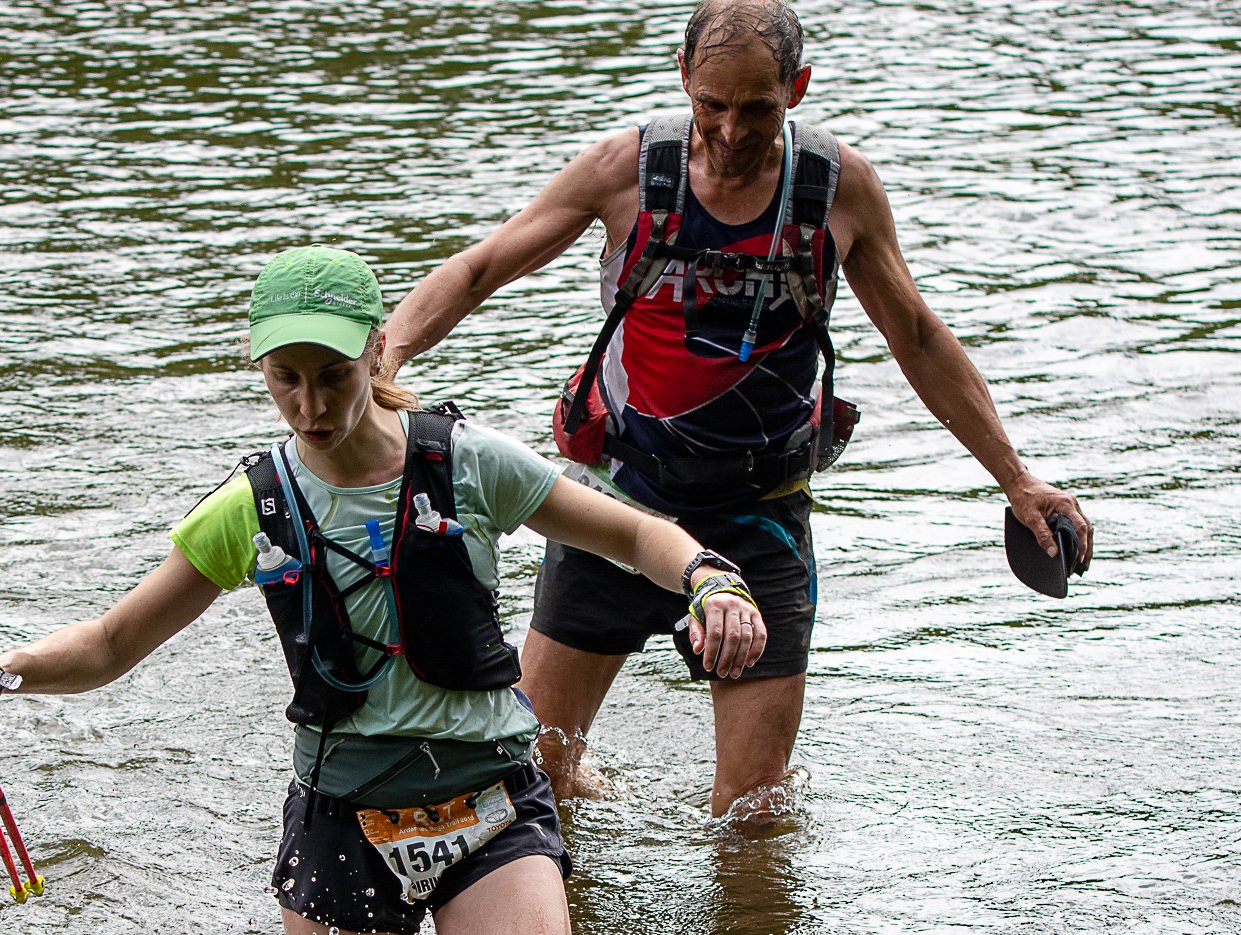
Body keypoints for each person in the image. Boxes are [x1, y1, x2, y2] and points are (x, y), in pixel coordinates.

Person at [0, 247, 768, 935]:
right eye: (284, 379)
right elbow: (109, 643)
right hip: (344, 821)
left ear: (376, 349)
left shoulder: (468, 463)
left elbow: (631, 535)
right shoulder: (252, 508)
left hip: (491, 804)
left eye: (331, 374)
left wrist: (709, 576)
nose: (311, 404)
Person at [380, 0, 1094, 818]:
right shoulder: (628, 171)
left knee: (753, 813)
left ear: (797, 88)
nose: (728, 131)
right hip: (618, 504)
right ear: (684, 78)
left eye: (756, 107)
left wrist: (1016, 477)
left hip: (761, 517)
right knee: (535, 778)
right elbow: (478, 270)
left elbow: (919, 337)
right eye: (710, 106)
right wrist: (386, 358)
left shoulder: (836, 189)